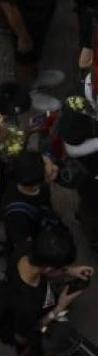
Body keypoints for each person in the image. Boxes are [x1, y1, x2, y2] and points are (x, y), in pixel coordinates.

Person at [0, 226, 93, 352]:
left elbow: (48, 270)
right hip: (20, 327)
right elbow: (23, 337)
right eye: (62, 267)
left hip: (26, 308)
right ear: (48, 269)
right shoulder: (26, 305)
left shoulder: (27, 249)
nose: (65, 269)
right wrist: (59, 308)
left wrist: (71, 271)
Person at [58, 79, 98, 249]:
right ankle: (93, 237)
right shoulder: (76, 106)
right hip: (91, 171)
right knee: (92, 207)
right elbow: (71, 148)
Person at [1, 150, 61, 253]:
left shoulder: (26, 178)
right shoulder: (17, 216)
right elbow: (24, 247)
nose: (56, 168)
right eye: (52, 173)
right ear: (37, 183)